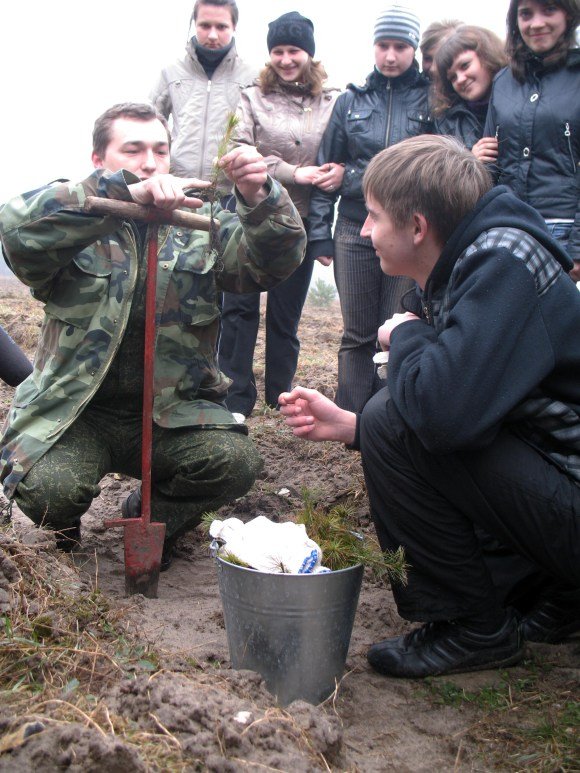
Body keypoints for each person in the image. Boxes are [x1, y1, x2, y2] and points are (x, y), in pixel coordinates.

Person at [280, 135, 580, 678]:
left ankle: (472, 628)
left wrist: (411, 335)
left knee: (393, 418)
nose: (364, 231)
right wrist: (351, 427)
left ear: (417, 227)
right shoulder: (462, 262)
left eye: (372, 217)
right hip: (559, 480)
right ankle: (556, 594)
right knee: (384, 418)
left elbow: (440, 418)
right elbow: (471, 407)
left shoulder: (502, 264)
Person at [0, 102, 306, 569]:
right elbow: (14, 230)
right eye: (133, 150)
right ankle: (63, 524)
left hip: (172, 416)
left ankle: (150, 514)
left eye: (160, 151)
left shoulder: (202, 226)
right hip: (78, 413)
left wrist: (259, 193)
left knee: (235, 463)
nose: (149, 162)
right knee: (50, 491)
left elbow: (273, 263)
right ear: (99, 160)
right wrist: (114, 194)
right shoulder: (74, 223)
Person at [307, 4, 433, 413]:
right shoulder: (350, 101)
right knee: (356, 332)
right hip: (352, 227)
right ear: (373, 48)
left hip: (408, 230)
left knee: (396, 329)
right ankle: (347, 418)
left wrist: (351, 176)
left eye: (401, 46)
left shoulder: (433, 100)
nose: (391, 55)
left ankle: (387, 418)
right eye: (383, 45)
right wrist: (318, 233)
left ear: (413, 48)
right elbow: (327, 169)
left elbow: (431, 166)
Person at [218, 12, 341, 416]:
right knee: (239, 309)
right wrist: (292, 172)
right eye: (278, 51)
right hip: (248, 212)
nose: (286, 59)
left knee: (286, 315)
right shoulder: (252, 97)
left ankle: (279, 396)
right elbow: (237, 148)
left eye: (295, 51)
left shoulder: (332, 100)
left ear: (309, 53)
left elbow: (337, 151)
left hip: (299, 220)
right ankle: (236, 396)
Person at [484, 0, 580, 280]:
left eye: (549, 10)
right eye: (526, 14)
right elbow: (491, 162)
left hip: (565, 229)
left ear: (568, 14)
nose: (536, 23)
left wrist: (577, 246)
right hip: (509, 227)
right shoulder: (503, 81)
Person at [150, 0, 257, 198]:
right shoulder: (171, 73)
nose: (213, 34)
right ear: (194, 24)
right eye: (205, 25)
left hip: (229, 195)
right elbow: (149, 125)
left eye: (221, 26)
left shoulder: (251, 77)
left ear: (234, 26)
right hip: (178, 191)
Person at [432, 26, 507, 156]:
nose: (460, 79)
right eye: (452, 77)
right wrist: (471, 161)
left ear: (487, 56)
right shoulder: (450, 122)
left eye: (465, 65)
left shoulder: (521, 99)